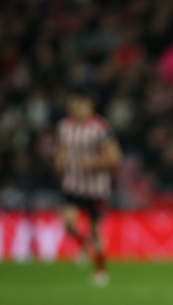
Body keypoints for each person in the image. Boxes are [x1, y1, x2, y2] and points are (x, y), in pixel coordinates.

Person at [54, 89, 122, 286]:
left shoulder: (100, 127)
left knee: (95, 230)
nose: (76, 108)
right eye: (73, 104)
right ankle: (84, 245)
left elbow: (115, 157)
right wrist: (58, 162)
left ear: (89, 106)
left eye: (80, 104)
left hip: (96, 188)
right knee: (68, 222)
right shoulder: (64, 126)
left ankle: (101, 270)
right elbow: (62, 149)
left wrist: (92, 164)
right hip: (72, 184)